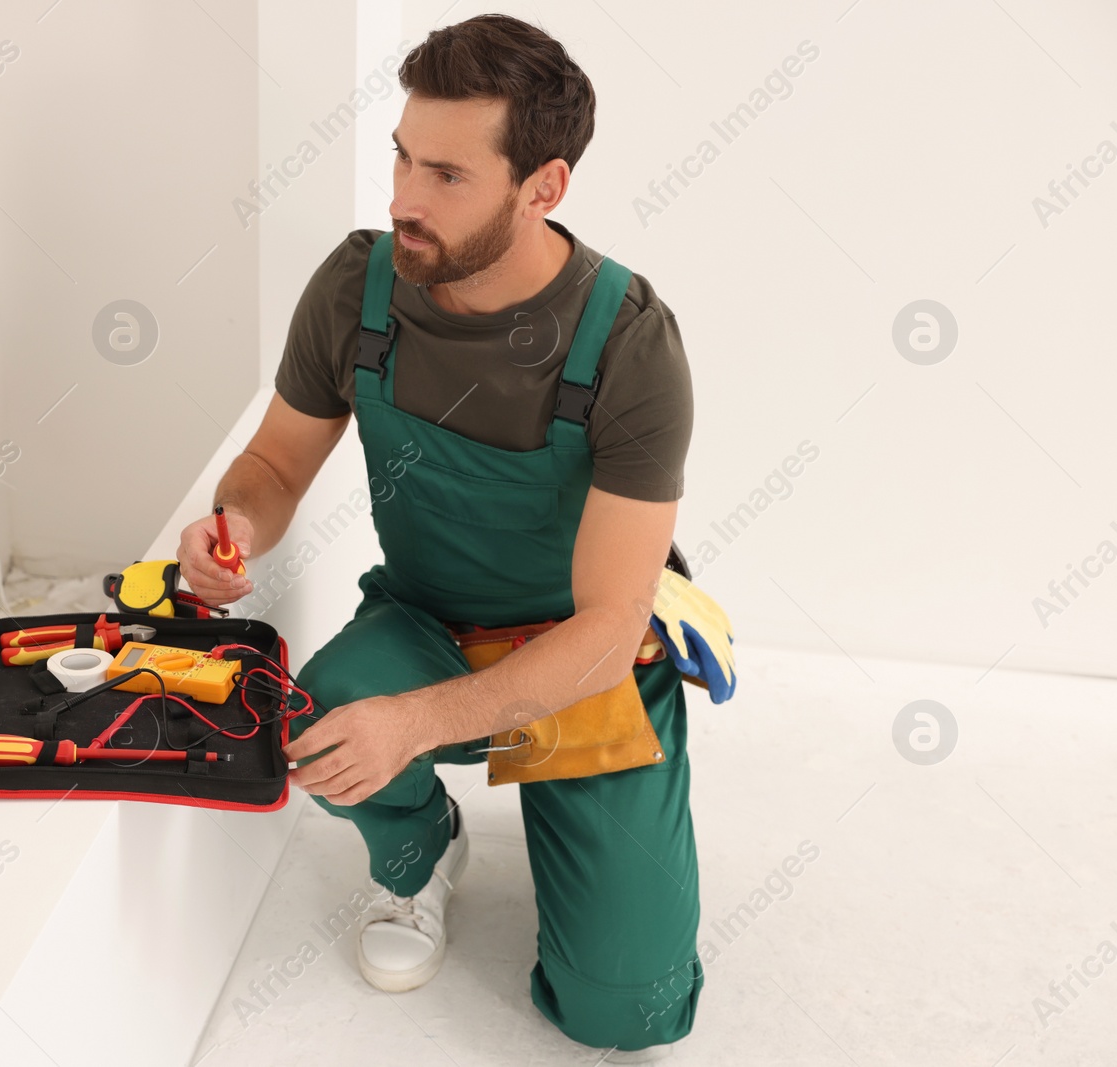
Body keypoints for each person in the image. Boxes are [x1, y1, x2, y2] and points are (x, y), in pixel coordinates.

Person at [177, 15, 701, 1062]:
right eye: (402, 157)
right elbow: (274, 467)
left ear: (543, 187)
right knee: (319, 713)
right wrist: (232, 525)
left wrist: (413, 721)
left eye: (448, 175)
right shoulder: (358, 288)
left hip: (579, 662)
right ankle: (422, 852)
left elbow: (607, 625)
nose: (404, 200)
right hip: (426, 618)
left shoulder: (627, 343)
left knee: (624, 1011)